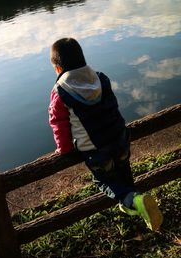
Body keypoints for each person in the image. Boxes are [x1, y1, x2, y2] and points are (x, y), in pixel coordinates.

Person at [48, 37, 163, 231]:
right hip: (120, 139)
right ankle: (138, 203)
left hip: (96, 150)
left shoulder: (60, 92)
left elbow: (58, 123)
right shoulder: (100, 78)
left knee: (103, 180)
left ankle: (133, 201)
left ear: (58, 68)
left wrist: (65, 149)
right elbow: (113, 106)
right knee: (124, 173)